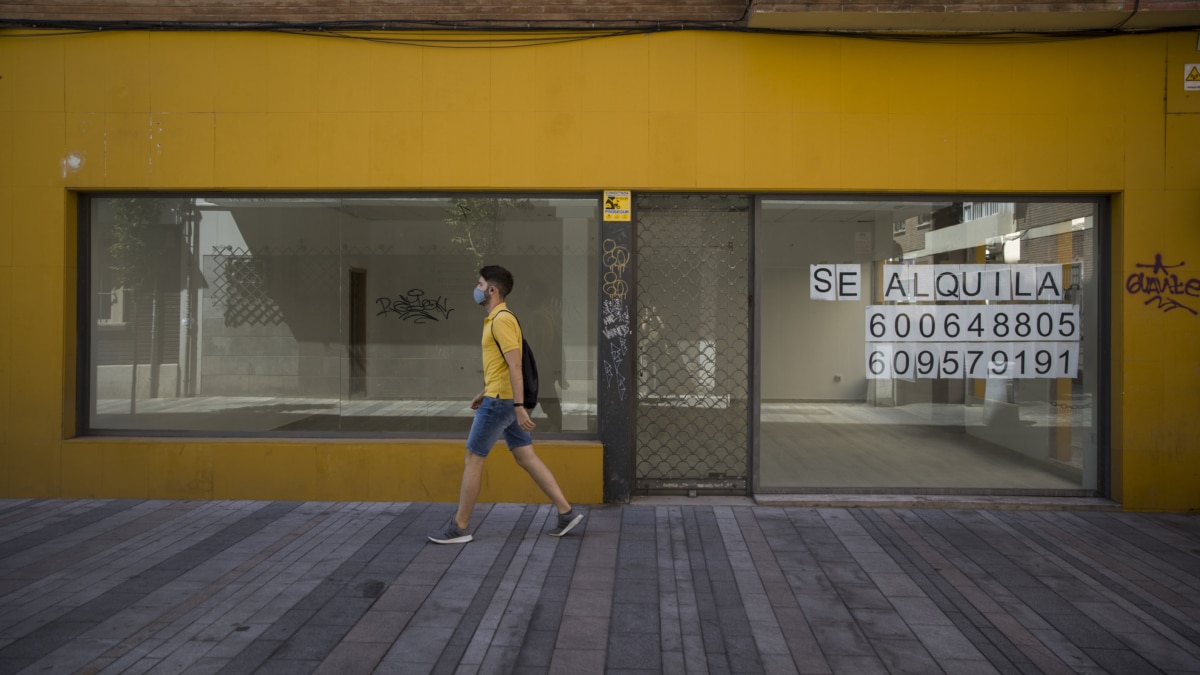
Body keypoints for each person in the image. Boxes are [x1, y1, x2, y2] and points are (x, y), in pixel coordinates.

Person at [428, 265, 584, 544]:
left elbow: (514, 364)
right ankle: (566, 512)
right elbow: (502, 366)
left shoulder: (501, 320)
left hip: (501, 403)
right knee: (526, 456)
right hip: (500, 396)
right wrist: (484, 390)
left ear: (492, 290)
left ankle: (459, 527)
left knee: (473, 459)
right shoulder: (498, 319)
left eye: (479, 284)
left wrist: (519, 405)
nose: (476, 289)